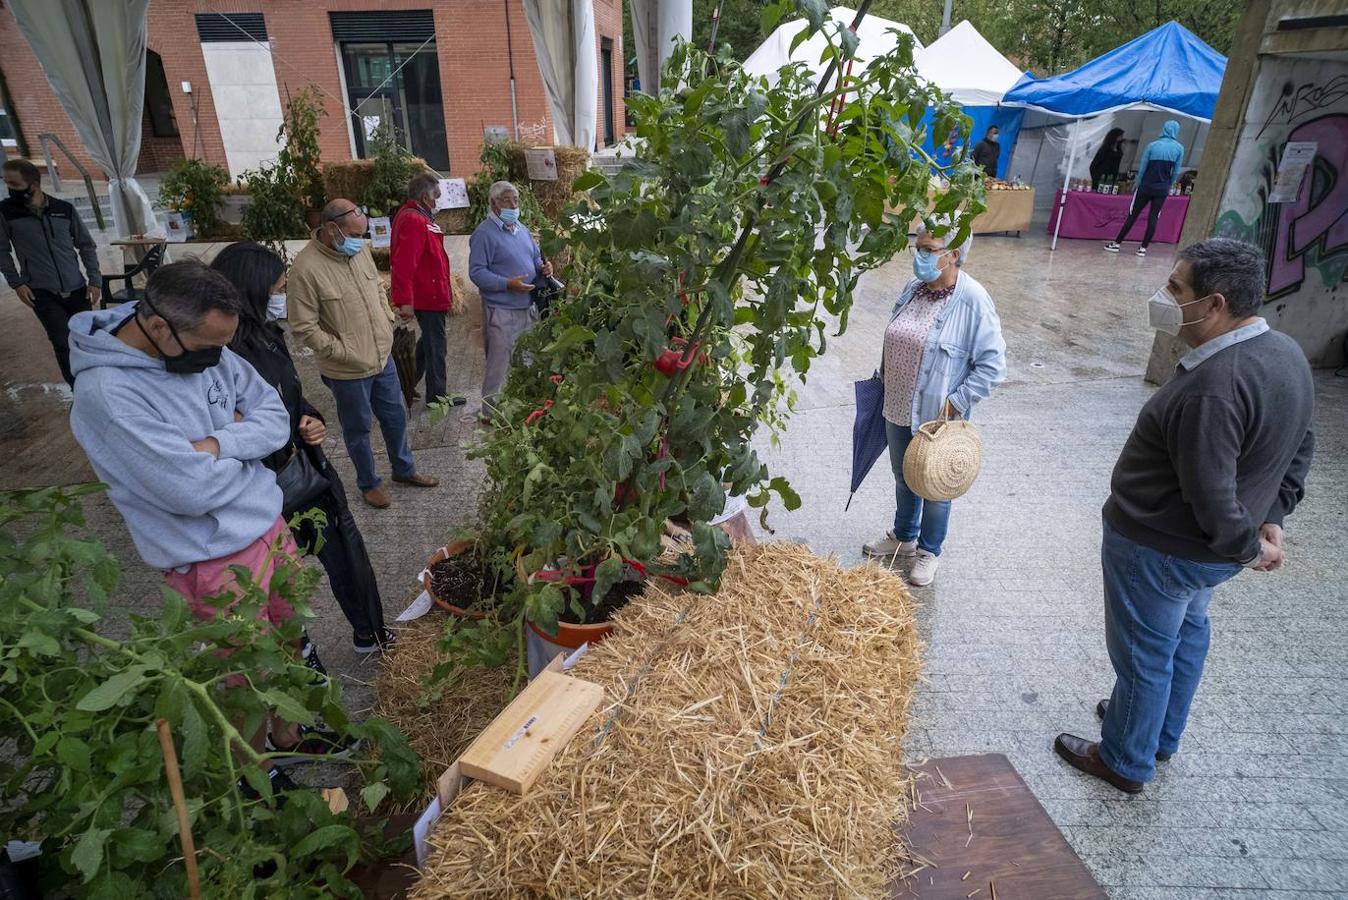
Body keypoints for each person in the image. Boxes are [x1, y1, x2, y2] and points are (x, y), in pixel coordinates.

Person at [1055, 239, 1315, 794]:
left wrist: (1250, 546)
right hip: (1204, 557)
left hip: (1163, 549)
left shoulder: (1214, 387)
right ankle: (1158, 733)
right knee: (1187, 632)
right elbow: (1299, 444)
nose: (1163, 296)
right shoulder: (1287, 353)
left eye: (1176, 288)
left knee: (1145, 655)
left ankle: (1125, 759)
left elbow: (1212, 493)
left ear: (1215, 304)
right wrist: (1274, 516)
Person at [66, 260, 348, 773]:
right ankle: (251, 773)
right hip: (210, 556)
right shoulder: (108, 395)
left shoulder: (204, 348)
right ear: (157, 326)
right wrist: (245, 452)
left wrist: (217, 442)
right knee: (239, 675)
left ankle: (290, 734)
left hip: (267, 528)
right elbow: (188, 490)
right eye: (208, 347)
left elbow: (274, 415)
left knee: (288, 643)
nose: (219, 358)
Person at [212, 241, 396, 654]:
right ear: (251, 290)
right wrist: (278, 434)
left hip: (306, 470)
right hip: (265, 485)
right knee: (281, 580)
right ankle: (300, 657)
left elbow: (290, 397)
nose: (283, 299)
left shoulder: (268, 337)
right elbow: (229, 427)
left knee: (346, 553)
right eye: (278, 290)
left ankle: (370, 632)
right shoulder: (221, 359)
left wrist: (312, 418)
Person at [862, 220, 1006, 587]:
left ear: (953, 255)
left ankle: (929, 551)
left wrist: (956, 402)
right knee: (904, 475)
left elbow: (992, 364)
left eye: (929, 250)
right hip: (896, 402)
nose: (920, 256)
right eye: (918, 248)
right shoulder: (914, 289)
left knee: (935, 483)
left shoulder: (973, 300)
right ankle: (904, 537)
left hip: (936, 413)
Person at [288, 198, 438, 509]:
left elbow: (377, 291)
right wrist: (342, 351)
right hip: (347, 370)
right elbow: (303, 326)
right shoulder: (306, 269)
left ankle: (404, 469)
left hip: (383, 357)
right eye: (355, 235)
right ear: (332, 229)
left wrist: (386, 318)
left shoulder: (359, 252)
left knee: (395, 416)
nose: (360, 241)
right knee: (358, 428)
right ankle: (369, 483)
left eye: (362, 235)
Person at [1, 158, 103, 387]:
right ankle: (79, 390)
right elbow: (2, 251)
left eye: (15, 185)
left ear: (34, 185)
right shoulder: (6, 213)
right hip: (40, 290)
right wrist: (16, 283)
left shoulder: (64, 210)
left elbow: (86, 245)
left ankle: (98, 385)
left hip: (76, 288)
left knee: (87, 339)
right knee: (61, 342)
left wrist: (95, 280)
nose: (10, 190)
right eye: (6, 183)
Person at [468, 180, 553, 417]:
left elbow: (536, 258)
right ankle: (490, 413)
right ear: (495, 204)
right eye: (508, 200)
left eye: (516, 200)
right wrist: (507, 284)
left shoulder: (521, 229)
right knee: (500, 364)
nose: (514, 205)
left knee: (527, 357)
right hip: (502, 310)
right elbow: (477, 272)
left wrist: (545, 268)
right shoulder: (484, 234)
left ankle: (521, 406)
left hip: (528, 306)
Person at [391, 173, 455, 407]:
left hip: (430, 293)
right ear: (426, 197)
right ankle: (437, 397)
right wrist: (404, 300)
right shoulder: (415, 220)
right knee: (437, 346)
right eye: (436, 196)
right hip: (428, 295)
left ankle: (403, 384)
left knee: (429, 343)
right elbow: (404, 263)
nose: (438, 201)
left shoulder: (415, 216)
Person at [1104, 121, 1185, 256]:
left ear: (1164, 129)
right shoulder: (1179, 149)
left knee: (1133, 215)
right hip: (1162, 189)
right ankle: (1143, 248)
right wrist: (1169, 184)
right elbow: (1176, 171)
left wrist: (1137, 183)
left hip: (1145, 186)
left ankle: (1117, 243)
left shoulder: (1152, 146)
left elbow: (1142, 168)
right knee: (1153, 217)